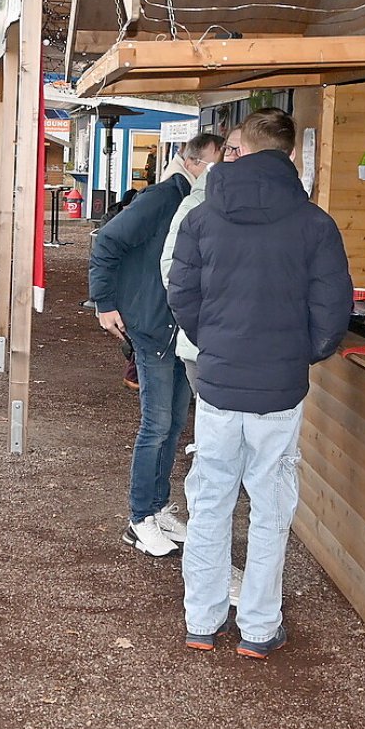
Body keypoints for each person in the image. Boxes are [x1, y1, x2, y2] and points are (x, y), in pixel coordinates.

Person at [167, 108, 351, 657]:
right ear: (291, 156)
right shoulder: (315, 223)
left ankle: (201, 619)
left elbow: (182, 294)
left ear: (236, 149)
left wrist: (216, 344)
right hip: (279, 387)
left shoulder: (202, 217)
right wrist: (301, 353)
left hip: (220, 383)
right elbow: (332, 309)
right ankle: (258, 627)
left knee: (210, 498)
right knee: (271, 506)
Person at [89, 132, 223, 558]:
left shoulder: (198, 203)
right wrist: (105, 303)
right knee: (157, 424)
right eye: (221, 162)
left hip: (178, 330)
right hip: (152, 326)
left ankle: (158, 506)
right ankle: (139, 518)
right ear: (195, 163)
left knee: (171, 424)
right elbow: (106, 241)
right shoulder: (165, 197)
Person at [160, 126, 241, 390]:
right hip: (206, 344)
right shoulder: (193, 204)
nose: (234, 156)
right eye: (230, 149)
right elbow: (173, 274)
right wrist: (204, 329)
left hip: (260, 351)